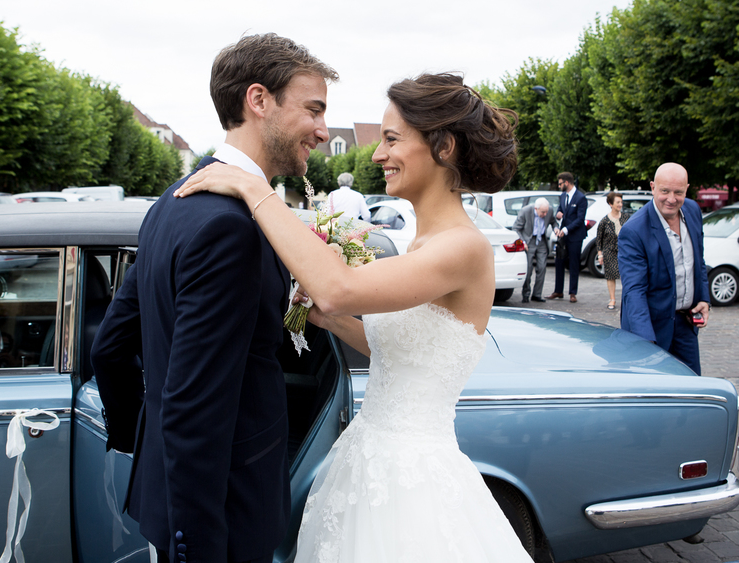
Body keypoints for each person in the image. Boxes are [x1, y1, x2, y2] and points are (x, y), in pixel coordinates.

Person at [173, 73, 534, 562]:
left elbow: (339, 288)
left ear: (443, 146)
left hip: (412, 477)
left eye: (390, 140)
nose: (377, 155)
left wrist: (254, 189)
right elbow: (402, 351)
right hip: (368, 455)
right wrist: (324, 319)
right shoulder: (424, 243)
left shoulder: (463, 247)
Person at [90, 33, 338, 563]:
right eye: (313, 109)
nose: (322, 130)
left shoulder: (170, 202)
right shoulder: (233, 227)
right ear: (258, 100)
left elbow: (111, 346)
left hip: (173, 499)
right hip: (218, 518)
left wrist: (144, 446)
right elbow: (193, 405)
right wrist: (197, 546)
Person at [617, 163, 709, 374]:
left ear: (687, 188)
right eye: (665, 191)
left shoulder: (693, 211)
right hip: (651, 329)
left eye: (678, 192)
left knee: (692, 388)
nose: (671, 199)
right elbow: (634, 291)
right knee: (655, 395)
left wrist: (704, 298)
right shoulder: (634, 230)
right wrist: (645, 342)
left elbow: (698, 260)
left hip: (686, 324)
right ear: (653, 187)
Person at [547, 172, 588, 303]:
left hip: (575, 235)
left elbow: (580, 219)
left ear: (567, 183)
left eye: (560, 183)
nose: (559, 186)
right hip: (562, 235)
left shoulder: (581, 198)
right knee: (559, 261)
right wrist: (559, 214)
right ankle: (558, 290)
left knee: (574, 263)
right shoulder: (563, 195)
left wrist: (566, 229)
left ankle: (572, 292)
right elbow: (561, 210)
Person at [513, 197, 557, 303]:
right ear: (536, 208)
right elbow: (515, 228)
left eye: (546, 211)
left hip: (541, 240)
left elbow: (553, 222)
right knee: (528, 270)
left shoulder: (549, 210)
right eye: (543, 212)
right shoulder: (525, 211)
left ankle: (537, 294)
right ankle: (526, 294)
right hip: (529, 241)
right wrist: (522, 242)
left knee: (542, 268)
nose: (545, 214)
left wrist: (556, 228)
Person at [596, 191, 631, 310]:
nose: (620, 204)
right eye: (617, 202)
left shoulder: (627, 218)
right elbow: (599, 239)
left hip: (624, 251)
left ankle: (627, 299)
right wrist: (600, 255)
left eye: (621, 202)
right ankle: (612, 299)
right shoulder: (604, 221)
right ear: (611, 204)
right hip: (609, 251)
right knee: (611, 276)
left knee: (627, 275)